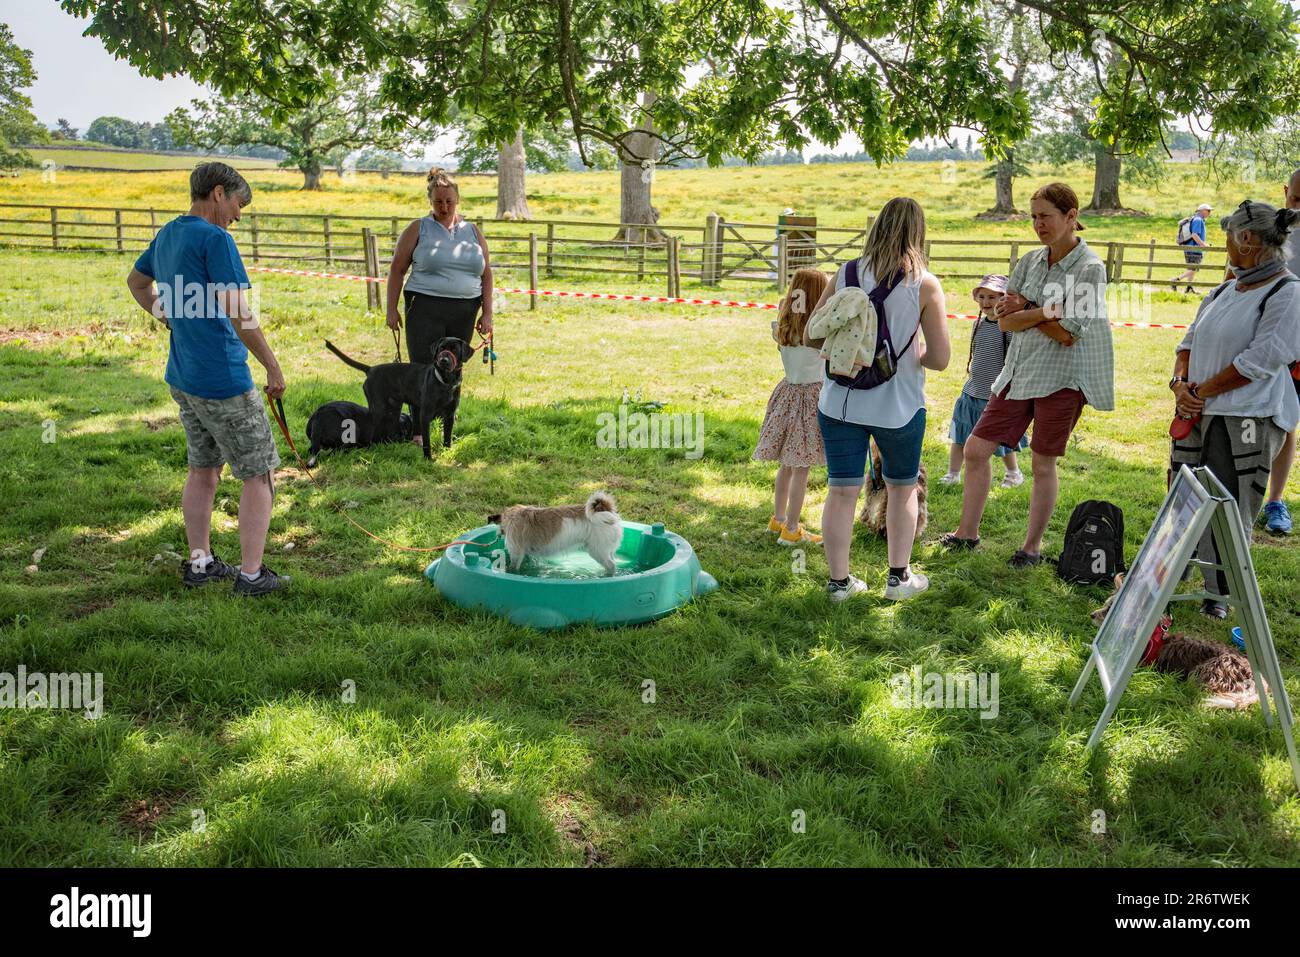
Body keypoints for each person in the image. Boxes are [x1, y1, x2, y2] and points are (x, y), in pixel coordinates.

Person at [125, 162, 289, 596]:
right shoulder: (216, 239)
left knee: (203, 470)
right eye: (238, 204)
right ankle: (252, 576)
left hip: (183, 377)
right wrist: (272, 366)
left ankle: (200, 564)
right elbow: (238, 312)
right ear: (219, 193)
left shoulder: (169, 234)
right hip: (223, 380)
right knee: (258, 474)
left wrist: (169, 316)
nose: (238, 215)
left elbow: (137, 282)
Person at [941, 182, 1114, 566]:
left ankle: (1030, 549)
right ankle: (966, 534)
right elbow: (1004, 322)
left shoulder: (1089, 268)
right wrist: (1048, 310)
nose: (1038, 224)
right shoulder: (1029, 261)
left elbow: (1070, 334)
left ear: (1071, 217)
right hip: (1016, 373)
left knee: (1041, 462)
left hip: (1062, 378)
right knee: (975, 449)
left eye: (1045, 216)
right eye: (1034, 216)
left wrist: (1030, 309)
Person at [803, 197, 950, 602]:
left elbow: (811, 334)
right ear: (918, 232)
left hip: (839, 401)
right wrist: (905, 355)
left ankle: (838, 583)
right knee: (901, 490)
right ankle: (898, 579)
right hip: (898, 405)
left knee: (841, 491)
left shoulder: (846, 272)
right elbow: (940, 359)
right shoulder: (925, 283)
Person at [1169, 198, 1300, 618]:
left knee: (1228, 503)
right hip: (1197, 410)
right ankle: (1174, 576)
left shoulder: (1286, 292)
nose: (1224, 243)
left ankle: (1220, 594)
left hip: (1247, 414)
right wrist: (1180, 385)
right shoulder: (1225, 288)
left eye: (1228, 235)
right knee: (1184, 494)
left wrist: (1201, 391)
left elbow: (1262, 359)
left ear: (1246, 239)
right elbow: (1187, 342)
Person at [386, 167, 494, 366]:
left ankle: (451, 399)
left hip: (465, 310)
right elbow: (397, 269)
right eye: (438, 202)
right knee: (424, 369)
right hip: (425, 308)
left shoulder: (473, 231)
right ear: (430, 201)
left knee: (453, 368)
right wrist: (391, 309)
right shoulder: (418, 228)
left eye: (449, 202)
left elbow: (486, 274)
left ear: (457, 200)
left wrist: (487, 313)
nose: (444, 207)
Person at [754, 267, 830, 545]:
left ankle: (778, 519)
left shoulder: (783, 325)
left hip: (787, 393)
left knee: (788, 463)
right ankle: (792, 528)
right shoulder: (818, 329)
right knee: (801, 466)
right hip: (810, 399)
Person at [941, 274, 1028, 488]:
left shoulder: (1008, 328)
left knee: (999, 440)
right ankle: (953, 474)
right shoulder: (977, 325)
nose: (986, 302)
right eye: (982, 296)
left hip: (994, 394)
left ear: (1003, 299)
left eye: (992, 297)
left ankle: (1013, 473)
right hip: (971, 391)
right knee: (960, 434)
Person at [1259, 167, 1300, 534]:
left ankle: (1275, 500)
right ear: (1286, 191)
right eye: (1297, 199)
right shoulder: (1269, 229)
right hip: (1264, 343)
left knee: (1288, 423)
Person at [1174, 203, 1213, 294]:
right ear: (1202, 211)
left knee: (1192, 269)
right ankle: (1175, 280)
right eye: (1208, 210)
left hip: (1191, 248)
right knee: (1194, 268)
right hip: (1194, 248)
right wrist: (1203, 245)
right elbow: (1194, 235)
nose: (1209, 212)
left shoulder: (1197, 219)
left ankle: (1189, 288)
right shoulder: (1198, 220)